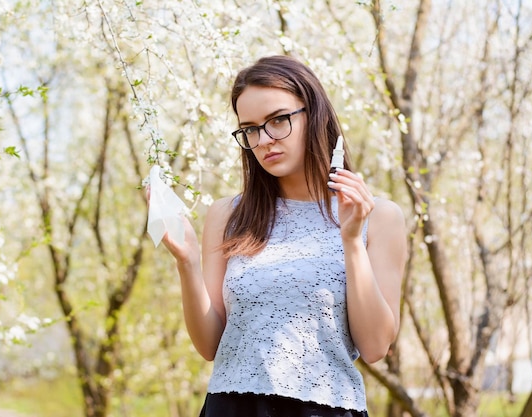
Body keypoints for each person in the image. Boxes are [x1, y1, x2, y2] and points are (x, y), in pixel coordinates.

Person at [157, 55, 407, 417]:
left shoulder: (379, 217)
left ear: (315, 115)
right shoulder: (228, 214)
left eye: (278, 120)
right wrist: (187, 264)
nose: (264, 140)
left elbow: (374, 346)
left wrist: (351, 241)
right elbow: (210, 344)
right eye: (251, 129)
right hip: (232, 407)